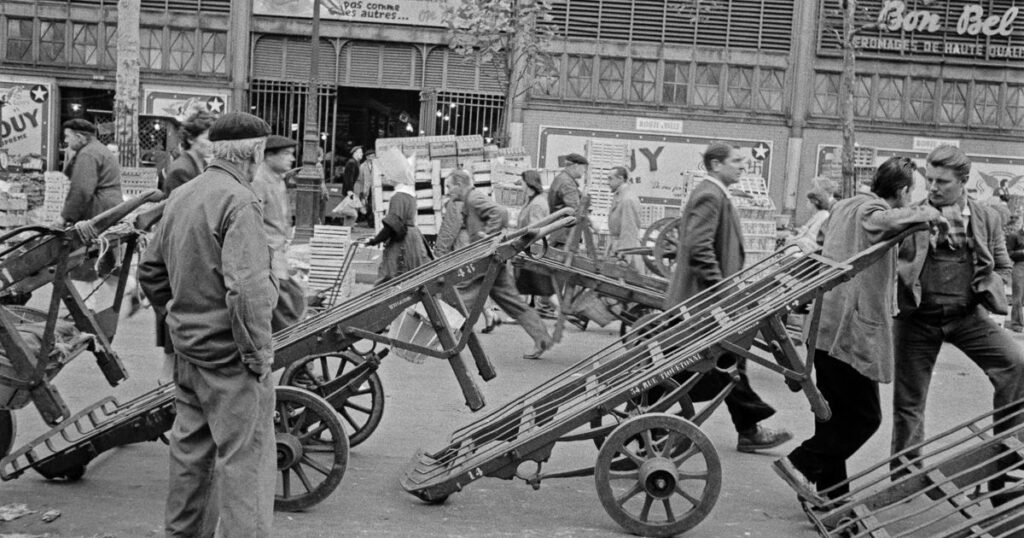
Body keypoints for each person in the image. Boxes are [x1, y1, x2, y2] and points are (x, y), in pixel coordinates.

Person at [772, 157, 946, 504]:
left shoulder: (845, 206)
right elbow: (886, 220)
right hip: (849, 332)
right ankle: (802, 463)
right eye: (915, 192)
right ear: (902, 191)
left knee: (832, 417)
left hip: (826, 326)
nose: (916, 199)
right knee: (866, 418)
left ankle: (832, 500)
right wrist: (931, 213)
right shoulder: (871, 211)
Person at [138, 112, 277, 538]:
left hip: (190, 353)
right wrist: (257, 356)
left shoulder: (183, 194)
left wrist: (181, 320)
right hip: (229, 359)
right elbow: (246, 291)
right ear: (254, 153)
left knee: (190, 457)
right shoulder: (239, 201)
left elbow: (151, 272)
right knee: (245, 465)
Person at [891, 145, 1024, 465]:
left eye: (942, 182)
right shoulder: (914, 214)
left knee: (1016, 366)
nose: (933, 187)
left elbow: (1004, 265)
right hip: (919, 317)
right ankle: (905, 476)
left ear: (963, 181)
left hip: (967, 315)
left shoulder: (986, 217)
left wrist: (985, 283)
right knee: (909, 402)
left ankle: (1004, 454)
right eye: (930, 180)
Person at [665, 141, 792, 453]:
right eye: (736, 161)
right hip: (703, 302)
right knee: (722, 361)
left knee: (727, 360)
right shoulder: (710, 194)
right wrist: (722, 292)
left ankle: (748, 428)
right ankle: (748, 428)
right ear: (716, 164)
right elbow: (698, 247)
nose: (742, 166)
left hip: (706, 301)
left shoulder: (717, 193)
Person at [447, 170, 554, 359]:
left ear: (459, 184)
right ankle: (542, 338)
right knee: (510, 301)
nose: (448, 191)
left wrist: (488, 237)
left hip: (487, 258)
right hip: (490, 258)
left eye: (449, 187)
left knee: (462, 293)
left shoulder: (473, 198)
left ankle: (446, 334)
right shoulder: (470, 199)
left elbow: (500, 212)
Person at [155, 109, 217, 381]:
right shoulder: (183, 169)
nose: (211, 144)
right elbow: (183, 217)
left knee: (178, 330)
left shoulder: (197, 166)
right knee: (176, 328)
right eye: (207, 138)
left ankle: (169, 386)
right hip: (180, 254)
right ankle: (166, 389)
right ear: (191, 139)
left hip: (187, 252)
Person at [59, 119, 123, 309]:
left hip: (95, 212)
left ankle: (83, 310)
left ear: (79, 137)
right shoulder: (100, 150)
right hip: (109, 212)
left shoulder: (88, 154)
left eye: (68, 137)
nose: (66, 141)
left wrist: (64, 217)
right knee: (106, 263)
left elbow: (81, 190)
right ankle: (132, 292)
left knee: (82, 263)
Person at [252, 134, 306, 331]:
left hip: (277, 251)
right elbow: (253, 222)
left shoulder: (278, 179)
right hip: (268, 254)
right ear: (269, 156)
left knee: (293, 299)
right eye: (286, 154)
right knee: (284, 308)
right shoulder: (260, 181)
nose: (291, 159)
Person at [365, 167, 429, 282]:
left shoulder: (398, 197)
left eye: (389, 175)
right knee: (412, 270)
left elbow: (393, 224)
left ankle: (384, 298)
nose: (387, 177)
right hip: (413, 236)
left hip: (403, 238)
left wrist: (375, 240)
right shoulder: (410, 195)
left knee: (390, 271)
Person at [514, 170, 557, 318]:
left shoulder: (537, 203)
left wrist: (527, 250)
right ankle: (522, 314)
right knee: (530, 285)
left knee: (543, 288)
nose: (521, 185)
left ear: (529, 183)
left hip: (533, 251)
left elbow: (536, 230)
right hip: (530, 250)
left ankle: (566, 312)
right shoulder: (532, 200)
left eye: (522, 182)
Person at [163, 109, 215, 194]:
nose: (213, 144)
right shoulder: (181, 171)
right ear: (191, 139)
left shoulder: (204, 164)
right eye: (208, 139)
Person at [548, 152, 588, 248]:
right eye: (584, 168)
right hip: (565, 235)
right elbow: (576, 210)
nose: (584, 172)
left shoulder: (561, 179)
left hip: (558, 232)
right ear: (576, 166)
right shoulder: (567, 183)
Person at [606, 165, 642, 268]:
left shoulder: (627, 199)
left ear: (621, 179)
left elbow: (629, 230)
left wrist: (624, 258)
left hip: (626, 255)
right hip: (619, 249)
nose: (607, 182)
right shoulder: (620, 195)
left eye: (610, 179)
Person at [786, 180, 836, 252]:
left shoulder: (824, 215)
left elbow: (814, 238)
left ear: (814, 202)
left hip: (809, 251)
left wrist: (796, 240)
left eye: (808, 201)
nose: (807, 203)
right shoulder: (818, 215)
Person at [1006, 216, 1024, 333]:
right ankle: (1016, 323)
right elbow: (1010, 253)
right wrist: (1022, 252)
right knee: (1018, 296)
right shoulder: (1014, 236)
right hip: (1020, 266)